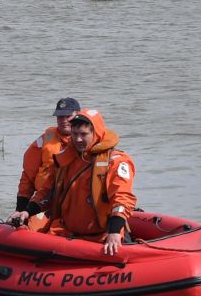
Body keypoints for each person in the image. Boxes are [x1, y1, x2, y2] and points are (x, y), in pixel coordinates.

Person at [17, 108, 135, 257]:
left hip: (100, 237)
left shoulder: (116, 162)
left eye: (84, 134)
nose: (78, 139)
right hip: (66, 233)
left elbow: (122, 198)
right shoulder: (65, 159)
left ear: (96, 133)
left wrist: (115, 231)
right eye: (75, 134)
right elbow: (47, 192)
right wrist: (27, 211)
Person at [16, 97, 79, 212]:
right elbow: (28, 176)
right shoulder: (45, 139)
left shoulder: (85, 141)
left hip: (74, 203)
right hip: (43, 201)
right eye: (60, 116)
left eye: (68, 116)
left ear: (78, 115)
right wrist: (20, 209)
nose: (64, 120)